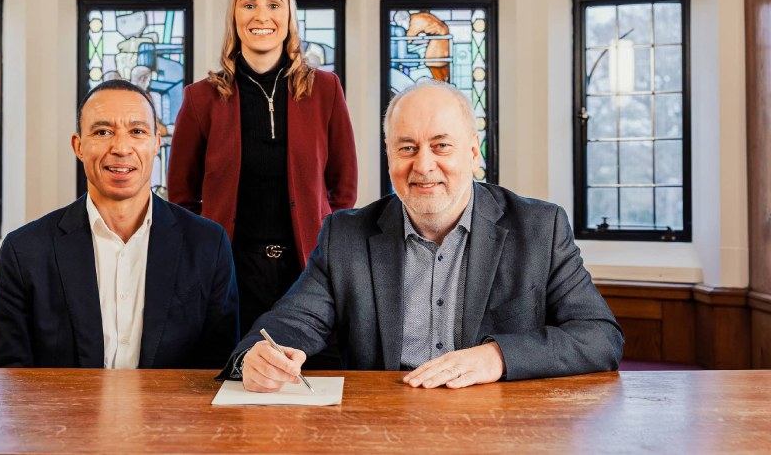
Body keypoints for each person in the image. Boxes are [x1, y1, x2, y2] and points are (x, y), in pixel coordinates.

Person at [227, 81, 624, 391]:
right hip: (381, 429)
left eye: (441, 146)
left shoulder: (540, 228)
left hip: (498, 426)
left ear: (473, 152)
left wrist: (498, 357)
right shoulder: (345, 235)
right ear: (389, 156)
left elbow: (599, 336)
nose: (423, 165)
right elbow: (291, 323)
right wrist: (258, 358)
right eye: (407, 148)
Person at [0, 79, 239, 369]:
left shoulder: (207, 243)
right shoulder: (26, 250)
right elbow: (8, 376)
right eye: (103, 131)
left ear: (156, 143)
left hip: (172, 414)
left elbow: (217, 368)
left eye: (137, 131)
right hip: (63, 414)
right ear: (79, 146)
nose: (121, 147)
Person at [168, 0, 358, 346]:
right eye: (248, 4)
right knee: (231, 381)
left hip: (307, 270)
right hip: (230, 272)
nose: (262, 16)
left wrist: (322, 248)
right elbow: (182, 198)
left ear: (289, 16)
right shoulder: (200, 98)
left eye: (274, 4)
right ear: (234, 16)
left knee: (308, 382)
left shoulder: (325, 90)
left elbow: (344, 189)